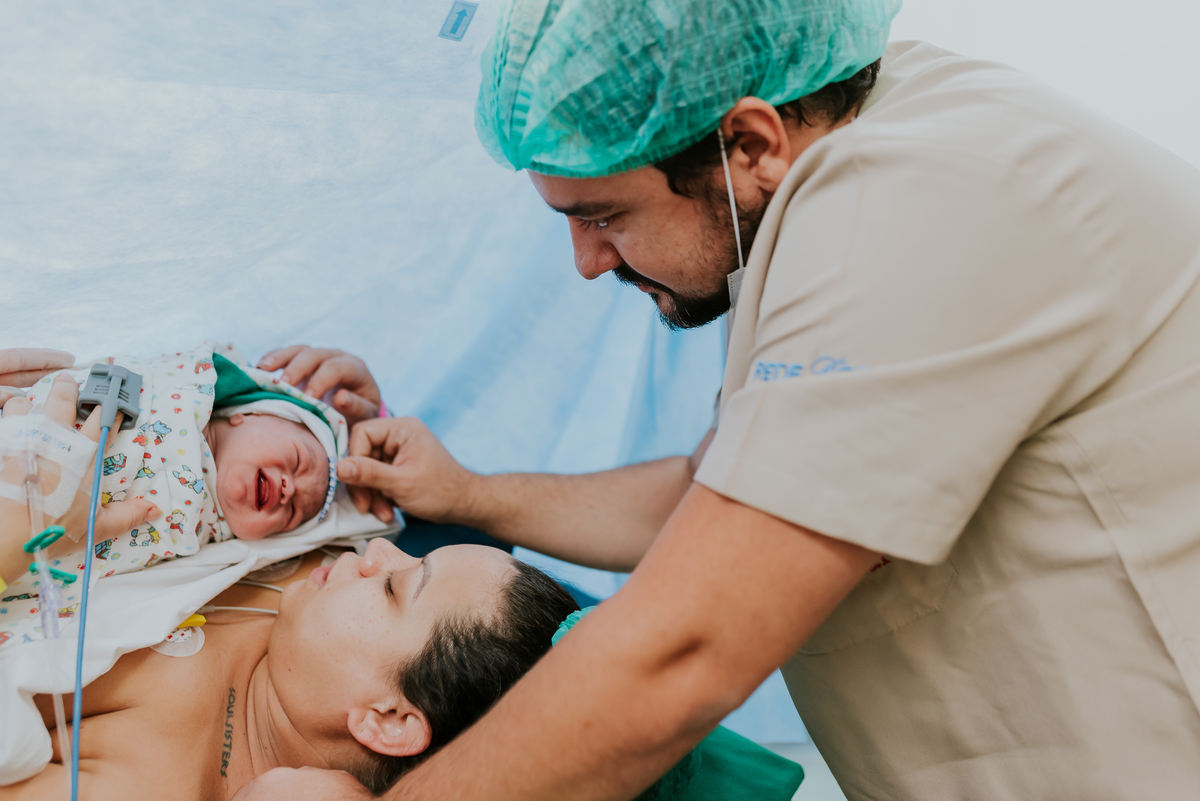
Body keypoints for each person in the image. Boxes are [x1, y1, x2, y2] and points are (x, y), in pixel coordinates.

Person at [43, 0, 1200, 798]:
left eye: (603, 217)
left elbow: (676, 655)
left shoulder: (919, 215)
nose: (589, 266)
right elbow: (717, 496)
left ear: (747, 143)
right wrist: (473, 495)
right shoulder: (838, 162)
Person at [0, 539, 580, 799]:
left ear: (387, 719)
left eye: (397, 585)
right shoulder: (310, 566)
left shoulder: (150, 783)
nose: (379, 548)